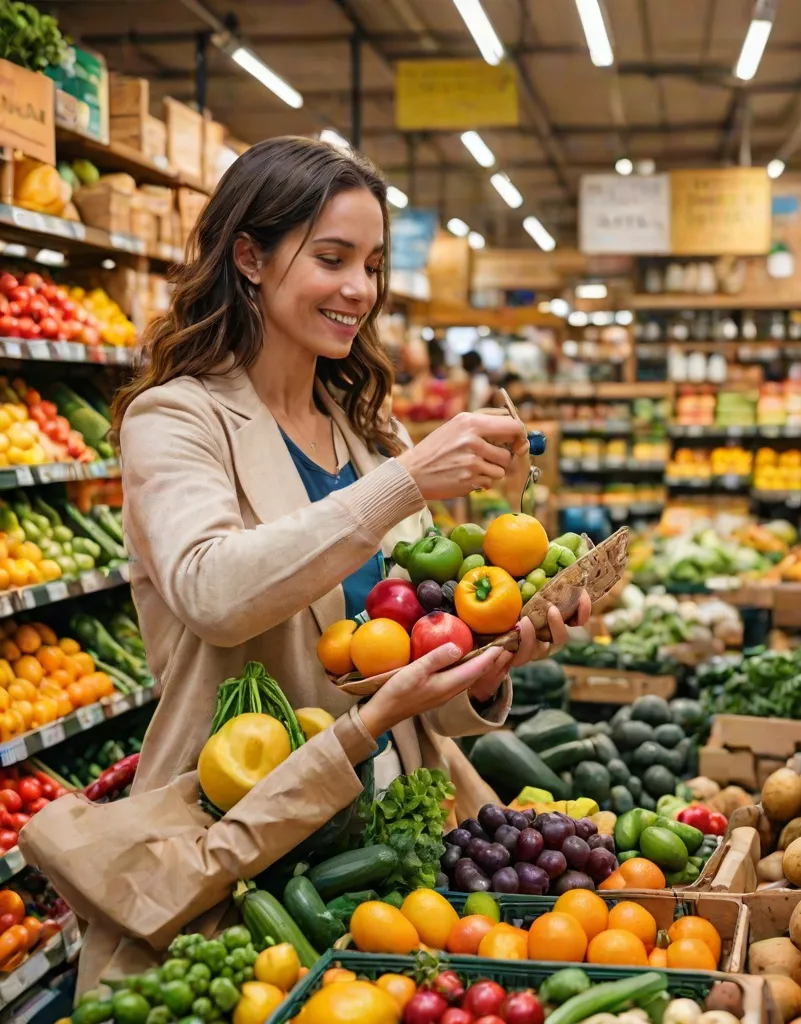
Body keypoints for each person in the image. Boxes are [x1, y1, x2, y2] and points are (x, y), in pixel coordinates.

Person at [50, 136, 589, 987]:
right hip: (245, 843)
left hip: (391, 847)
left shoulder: (371, 434)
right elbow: (215, 590)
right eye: (332, 258)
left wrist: (492, 661)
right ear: (249, 257)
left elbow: (400, 665)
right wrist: (406, 485)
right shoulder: (177, 421)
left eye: (372, 264)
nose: (360, 290)